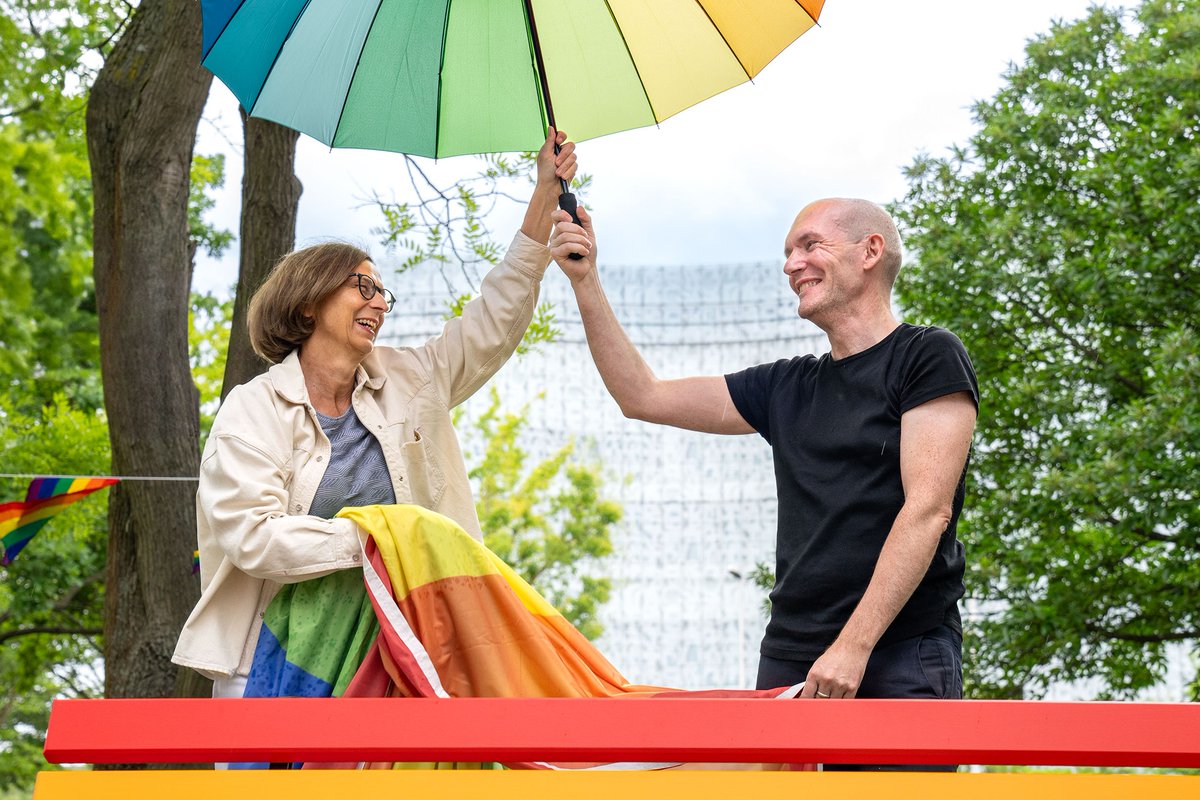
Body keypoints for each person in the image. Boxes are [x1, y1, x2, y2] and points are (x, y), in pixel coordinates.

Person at [549, 198, 977, 771]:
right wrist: (585, 280)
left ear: (870, 250)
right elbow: (642, 396)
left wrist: (853, 648)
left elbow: (927, 511)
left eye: (810, 244)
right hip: (791, 659)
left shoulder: (926, 356)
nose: (791, 264)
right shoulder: (786, 386)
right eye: (787, 252)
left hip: (900, 653)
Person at [172, 130, 578, 701]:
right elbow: (253, 537)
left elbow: (492, 321)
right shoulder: (253, 409)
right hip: (270, 662)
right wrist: (381, 539)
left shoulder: (411, 381)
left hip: (401, 657)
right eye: (363, 285)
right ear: (308, 301)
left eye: (385, 293)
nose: (380, 302)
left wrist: (543, 196)